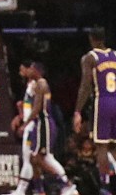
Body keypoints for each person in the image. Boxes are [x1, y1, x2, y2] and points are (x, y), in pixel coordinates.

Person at [78, 32, 116, 195]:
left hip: (103, 101)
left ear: (91, 39)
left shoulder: (90, 57)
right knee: (113, 146)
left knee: (101, 147)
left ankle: (105, 188)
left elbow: (86, 86)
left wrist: (77, 110)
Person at [15, 59, 73, 195]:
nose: (28, 71)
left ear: (36, 70)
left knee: (40, 159)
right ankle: (39, 190)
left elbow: (37, 108)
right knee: (32, 159)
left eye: (30, 69)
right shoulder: (37, 84)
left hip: (43, 123)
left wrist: (25, 124)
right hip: (39, 124)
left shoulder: (40, 84)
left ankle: (66, 185)